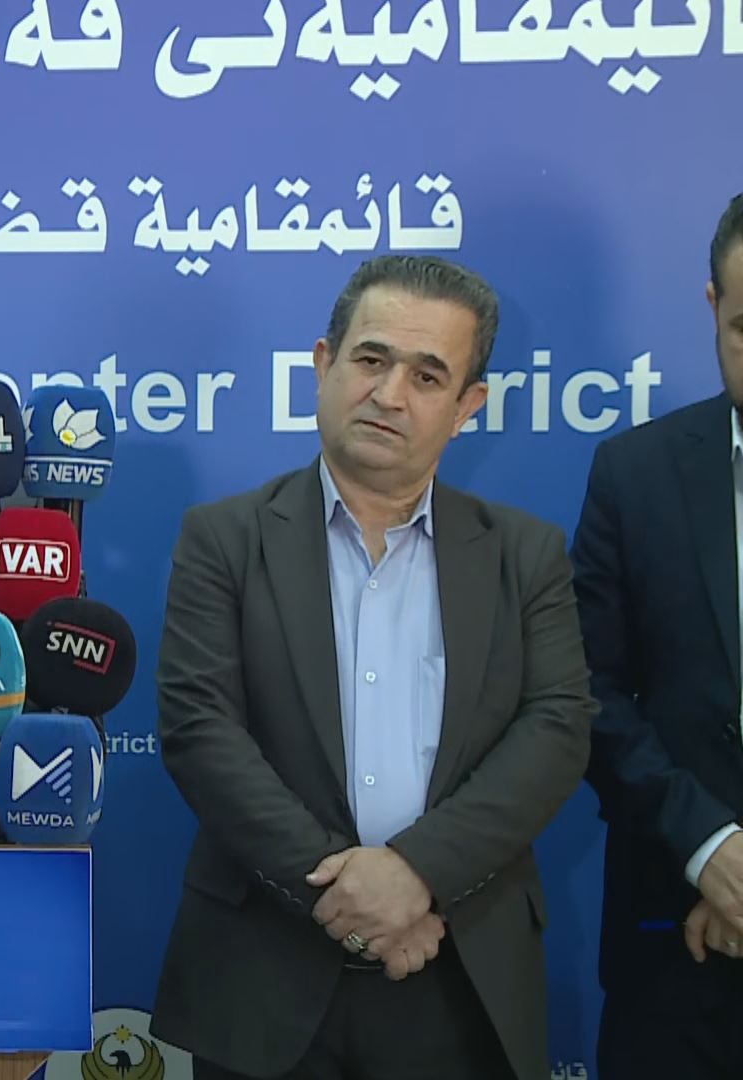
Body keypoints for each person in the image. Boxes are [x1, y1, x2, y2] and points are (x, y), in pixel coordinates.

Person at [151, 255, 594, 1080]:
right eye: (371, 359)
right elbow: (200, 732)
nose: (389, 395)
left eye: (427, 376)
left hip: (457, 967)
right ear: (324, 364)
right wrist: (354, 898)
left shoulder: (524, 554)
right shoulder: (224, 540)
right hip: (264, 974)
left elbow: (557, 730)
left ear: (468, 408)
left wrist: (417, 874)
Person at [571, 192, 743, 1077]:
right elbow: (587, 690)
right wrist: (710, 851)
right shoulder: (635, 473)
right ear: (712, 305)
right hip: (675, 950)